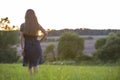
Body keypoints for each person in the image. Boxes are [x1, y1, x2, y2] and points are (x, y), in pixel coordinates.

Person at [20, 9, 47, 75]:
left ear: (26, 16)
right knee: (36, 64)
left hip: (28, 47)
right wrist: (39, 41)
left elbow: (22, 38)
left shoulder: (23, 25)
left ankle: (32, 78)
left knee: (30, 65)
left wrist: (22, 48)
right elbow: (45, 33)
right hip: (36, 46)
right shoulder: (37, 25)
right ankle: (36, 78)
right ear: (34, 16)